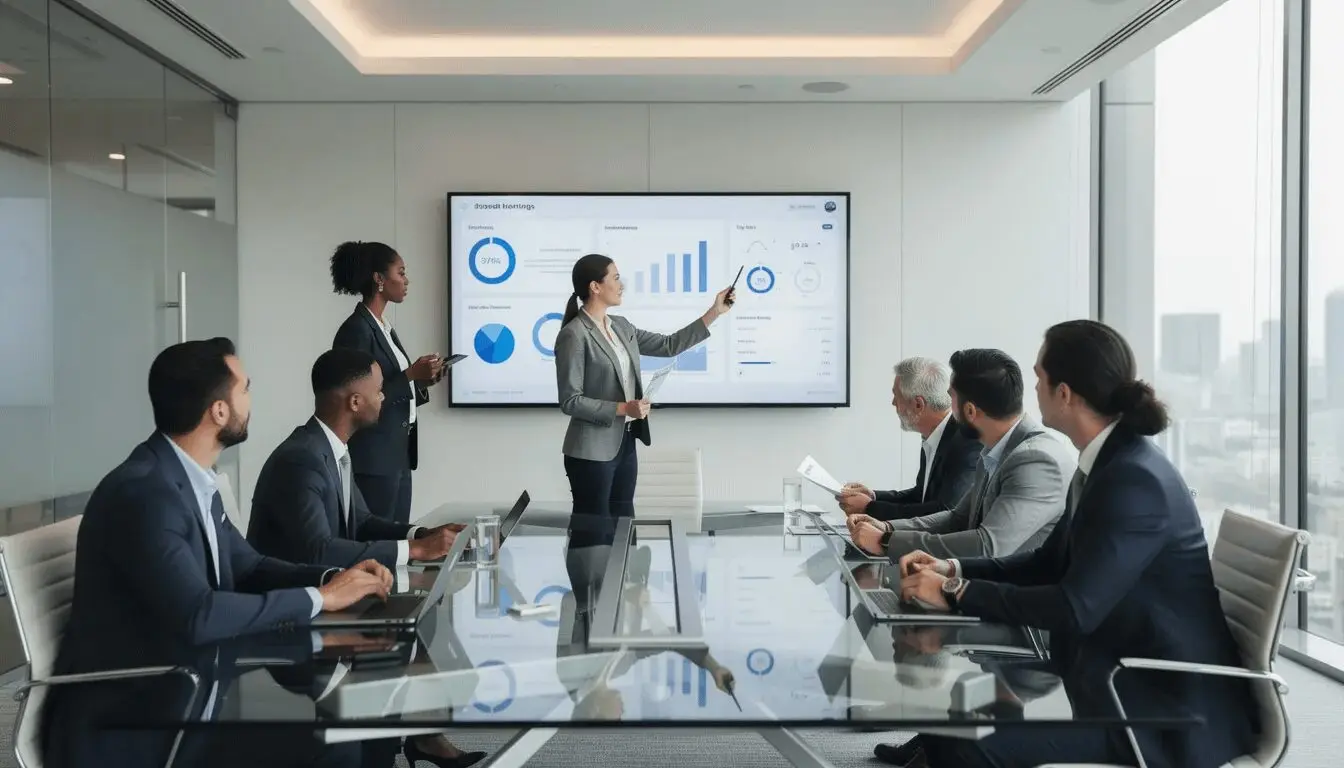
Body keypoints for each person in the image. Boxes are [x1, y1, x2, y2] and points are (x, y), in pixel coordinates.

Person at [887, 320, 1258, 768]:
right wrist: (955, 571)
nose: (1033, 390)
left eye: (1040, 377)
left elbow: (1073, 608)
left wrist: (956, 594)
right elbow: (1048, 562)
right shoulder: (1105, 462)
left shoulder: (1133, 480)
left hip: (1158, 716)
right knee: (949, 726)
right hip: (1113, 677)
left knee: (967, 742)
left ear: (1064, 393)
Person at [44, 338, 392, 768]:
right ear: (219, 411)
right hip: (134, 719)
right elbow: (199, 615)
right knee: (332, 743)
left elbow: (249, 566)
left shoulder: (191, 480)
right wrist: (322, 599)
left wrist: (334, 578)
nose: (251, 397)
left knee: (337, 723)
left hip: (188, 686)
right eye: (245, 388)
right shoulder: (145, 493)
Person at [554, 253, 732, 543]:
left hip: (624, 445)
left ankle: (622, 589)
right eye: (615, 277)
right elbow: (570, 401)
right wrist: (624, 407)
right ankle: (588, 590)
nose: (621, 284)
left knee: (625, 530)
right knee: (593, 537)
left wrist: (714, 312)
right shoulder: (574, 335)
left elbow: (669, 345)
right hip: (590, 452)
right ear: (595, 287)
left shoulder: (622, 326)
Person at [846, 348, 1073, 563]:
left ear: (970, 411)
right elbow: (957, 518)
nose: (945, 406)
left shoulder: (1035, 460)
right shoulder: (995, 450)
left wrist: (886, 542)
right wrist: (888, 528)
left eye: (950, 397)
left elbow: (986, 545)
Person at [248, 348, 464, 570]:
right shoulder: (301, 460)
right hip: (292, 597)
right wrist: (416, 549)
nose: (383, 396)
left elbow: (361, 522)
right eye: (379, 390)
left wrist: (421, 535)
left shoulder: (331, 447)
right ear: (355, 402)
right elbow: (318, 551)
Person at [331, 240, 444, 526]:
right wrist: (409, 375)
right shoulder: (356, 330)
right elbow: (357, 398)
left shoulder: (384, 327)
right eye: (401, 273)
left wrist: (423, 381)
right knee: (377, 541)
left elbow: (393, 388)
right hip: (374, 458)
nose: (406, 281)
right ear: (379, 279)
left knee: (396, 540)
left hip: (398, 455)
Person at [840, 357, 980, 521]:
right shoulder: (935, 435)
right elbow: (920, 496)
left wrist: (869, 508)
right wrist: (873, 496)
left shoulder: (966, 442)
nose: (893, 403)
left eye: (896, 396)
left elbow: (944, 511)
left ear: (918, 405)